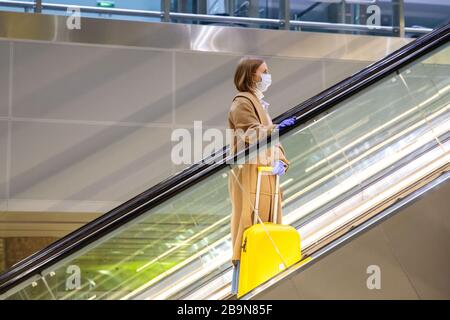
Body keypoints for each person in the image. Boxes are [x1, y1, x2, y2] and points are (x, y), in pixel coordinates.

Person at [227, 56, 296, 295]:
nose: (267, 76)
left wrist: (281, 161)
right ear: (250, 75)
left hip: (265, 174)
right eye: (263, 71)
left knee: (264, 232)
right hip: (250, 174)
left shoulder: (259, 104)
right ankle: (242, 290)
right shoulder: (242, 103)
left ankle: (262, 288)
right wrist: (276, 129)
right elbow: (252, 133)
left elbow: (270, 140)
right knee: (247, 232)